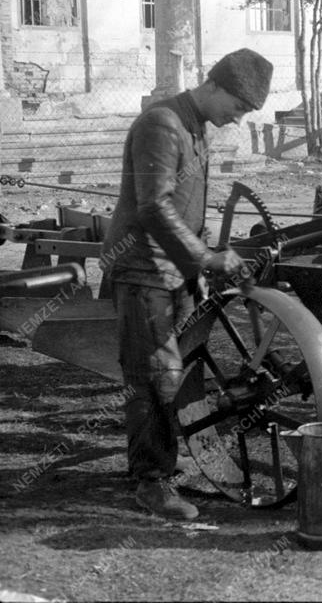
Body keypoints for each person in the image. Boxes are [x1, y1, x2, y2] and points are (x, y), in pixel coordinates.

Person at [100, 48, 273, 520]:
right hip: (142, 268)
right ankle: (151, 484)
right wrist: (206, 259)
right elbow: (154, 207)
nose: (237, 119)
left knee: (172, 374)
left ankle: (162, 466)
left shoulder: (195, 127)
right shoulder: (162, 124)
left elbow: (188, 207)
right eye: (237, 107)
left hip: (172, 269)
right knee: (156, 376)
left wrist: (199, 266)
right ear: (214, 85)